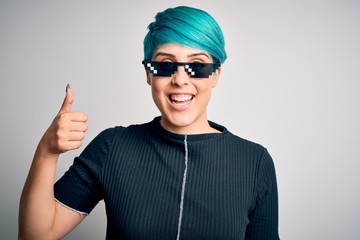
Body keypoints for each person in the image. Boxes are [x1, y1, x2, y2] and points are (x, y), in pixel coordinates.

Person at [19, 6, 280, 240]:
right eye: (165, 65)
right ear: (148, 74)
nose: (180, 80)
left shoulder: (255, 162)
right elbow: (36, 235)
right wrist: (46, 153)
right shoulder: (112, 147)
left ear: (215, 75)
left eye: (197, 65)